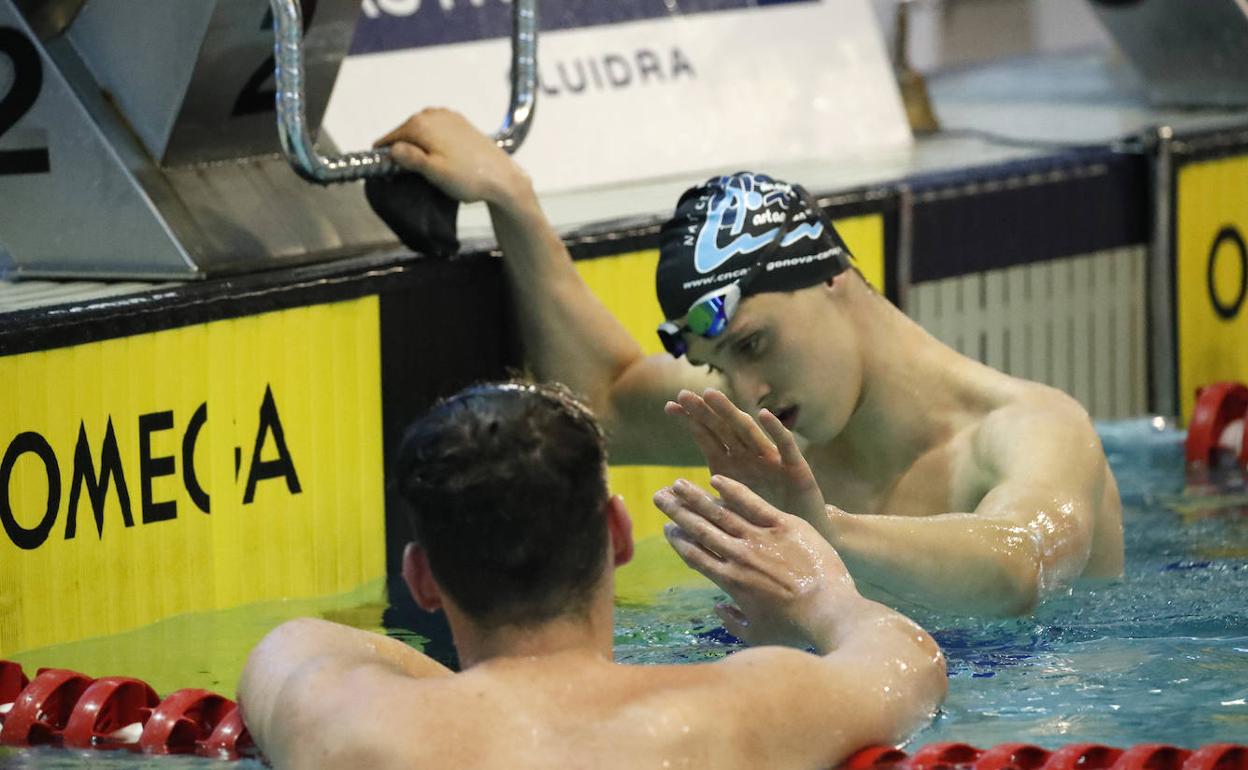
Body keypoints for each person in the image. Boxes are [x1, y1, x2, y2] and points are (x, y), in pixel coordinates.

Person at [371, 109, 1125, 617]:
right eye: (721, 364)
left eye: (754, 344)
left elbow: (1019, 565)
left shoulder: (1029, 428)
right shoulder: (777, 431)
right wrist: (513, 199)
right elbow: (600, 403)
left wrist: (826, 530)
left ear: (834, 276)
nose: (749, 392)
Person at [238, 382, 946, 769]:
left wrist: (489, 701)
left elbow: (293, 643)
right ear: (618, 534)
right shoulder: (741, 710)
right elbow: (911, 663)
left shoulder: (343, 724)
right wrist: (822, 590)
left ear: (422, 581)